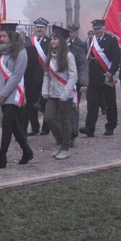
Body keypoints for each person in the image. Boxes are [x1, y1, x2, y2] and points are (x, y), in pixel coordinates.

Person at [0, 23, 34, 169]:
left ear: (12, 36)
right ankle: (27, 151)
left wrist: (2, 94)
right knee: (13, 125)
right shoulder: (2, 51)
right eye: (0, 36)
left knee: (6, 125)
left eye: (4, 36)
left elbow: (16, 76)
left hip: (13, 94)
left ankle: (2, 157)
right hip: (2, 94)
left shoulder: (21, 52)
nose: (1, 39)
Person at [42, 25, 77, 160]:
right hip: (51, 93)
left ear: (61, 41)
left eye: (55, 39)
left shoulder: (69, 56)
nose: (52, 41)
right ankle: (60, 140)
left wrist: (65, 94)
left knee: (64, 121)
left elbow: (73, 76)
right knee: (49, 118)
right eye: (52, 38)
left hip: (64, 94)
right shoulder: (50, 55)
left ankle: (65, 148)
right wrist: (45, 90)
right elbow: (46, 75)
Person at [81, 19, 121, 137]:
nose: (97, 31)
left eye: (98, 29)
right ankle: (90, 127)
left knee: (110, 103)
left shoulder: (111, 40)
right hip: (93, 77)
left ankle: (110, 126)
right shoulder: (90, 41)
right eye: (95, 29)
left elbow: (116, 57)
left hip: (106, 76)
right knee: (92, 104)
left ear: (103, 28)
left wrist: (111, 72)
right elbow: (85, 58)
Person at [22, 17, 50, 136]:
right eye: (37, 27)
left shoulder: (50, 42)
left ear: (46, 29)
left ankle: (46, 127)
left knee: (45, 103)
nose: (39, 29)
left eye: (41, 28)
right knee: (31, 103)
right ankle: (34, 127)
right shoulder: (29, 41)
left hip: (45, 76)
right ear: (34, 28)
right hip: (30, 77)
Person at [67, 27, 88, 145]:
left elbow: (83, 66)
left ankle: (73, 134)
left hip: (75, 84)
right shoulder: (54, 49)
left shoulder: (78, 49)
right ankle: (62, 133)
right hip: (58, 84)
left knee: (73, 109)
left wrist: (84, 82)